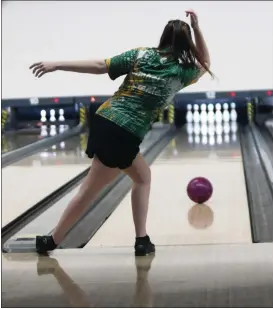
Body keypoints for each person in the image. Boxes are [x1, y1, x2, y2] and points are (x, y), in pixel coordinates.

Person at [30, 10, 212, 256]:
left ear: (163, 37)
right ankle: (52, 240)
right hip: (123, 132)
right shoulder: (183, 72)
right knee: (90, 190)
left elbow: (99, 65)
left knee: (142, 177)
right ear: (187, 42)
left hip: (105, 119)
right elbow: (206, 63)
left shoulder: (140, 54)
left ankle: (141, 239)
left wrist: (57, 64)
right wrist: (198, 27)